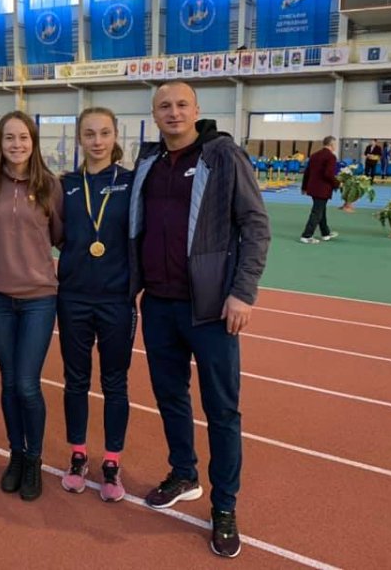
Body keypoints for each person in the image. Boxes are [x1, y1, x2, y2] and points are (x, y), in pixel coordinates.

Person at [128, 82, 270, 558]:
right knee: (170, 397)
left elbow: (255, 225)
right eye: (164, 106)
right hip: (158, 305)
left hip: (210, 309)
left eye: (181, 105)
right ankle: (183, 474)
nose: (173, 112)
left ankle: (224, 505)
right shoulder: (148, 161)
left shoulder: (223, 156)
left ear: (197, 110)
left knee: (222, 410)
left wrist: (242, 292)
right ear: (154, 114)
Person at [0, 110, 63, 502]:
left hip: (38, 299)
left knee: (27, 384)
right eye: (9, 138)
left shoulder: (49, 186)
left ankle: (33, 459)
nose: (16, 145)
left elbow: (61, 237)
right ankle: (16, 453)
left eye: (23, 137)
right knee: (9, 382)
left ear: (33, 142)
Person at [57, 107, 135, 503]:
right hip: (73, 298)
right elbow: (55, 234)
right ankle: (77, 455)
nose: (97, 141)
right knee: (76, 380)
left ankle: (112, 461)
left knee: (115, 382)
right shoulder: (66, 185)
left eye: (104, 133)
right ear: (79, 139)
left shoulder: (131, 182)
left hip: (117, 300)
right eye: (89, 134)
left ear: (115, 135)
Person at [299, 136, 340, 244]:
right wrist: (337, 183)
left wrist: (304, 187)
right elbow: (328, 174)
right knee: (317, 212)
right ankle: (306, 235)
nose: (335, 146)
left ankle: (325, 233)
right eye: (335, 144)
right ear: (331, 144)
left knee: (321, 210)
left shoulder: (314, 155)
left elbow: (307, 172)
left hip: (313, 188)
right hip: (323, 189)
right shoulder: (331, 157)